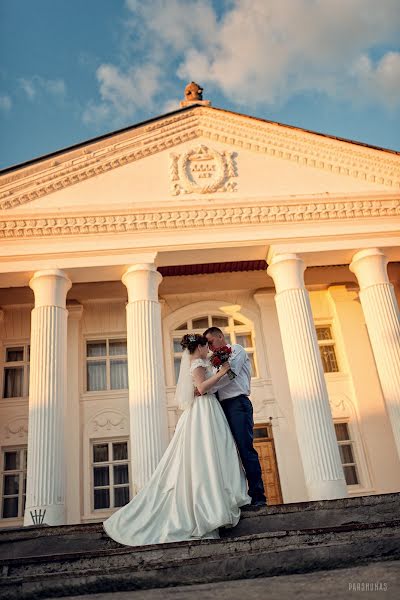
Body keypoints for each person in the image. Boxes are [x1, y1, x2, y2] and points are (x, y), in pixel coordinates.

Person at [103, 333, 250, 547]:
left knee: (216, 450)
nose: (208, 349)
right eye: (205, 346)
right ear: (198, 347)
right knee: (207, 452)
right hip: (204, 409)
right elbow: (201, 388)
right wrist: (223, 372)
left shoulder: (201, 360)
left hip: (208, 408)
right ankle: (211, 504)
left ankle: (220, 498)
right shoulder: (197, 362)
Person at [203, 327, 267, 506]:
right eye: (207, 345)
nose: (209, 347)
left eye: (211, 342)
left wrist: (209, 386)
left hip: (238, 404)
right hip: (220, 407)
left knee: (246, 450)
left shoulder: (236, 349)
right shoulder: (212, 361)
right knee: (227, 453)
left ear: (220, 337)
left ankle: (258, 496)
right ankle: (235, 498)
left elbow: (231, 374)